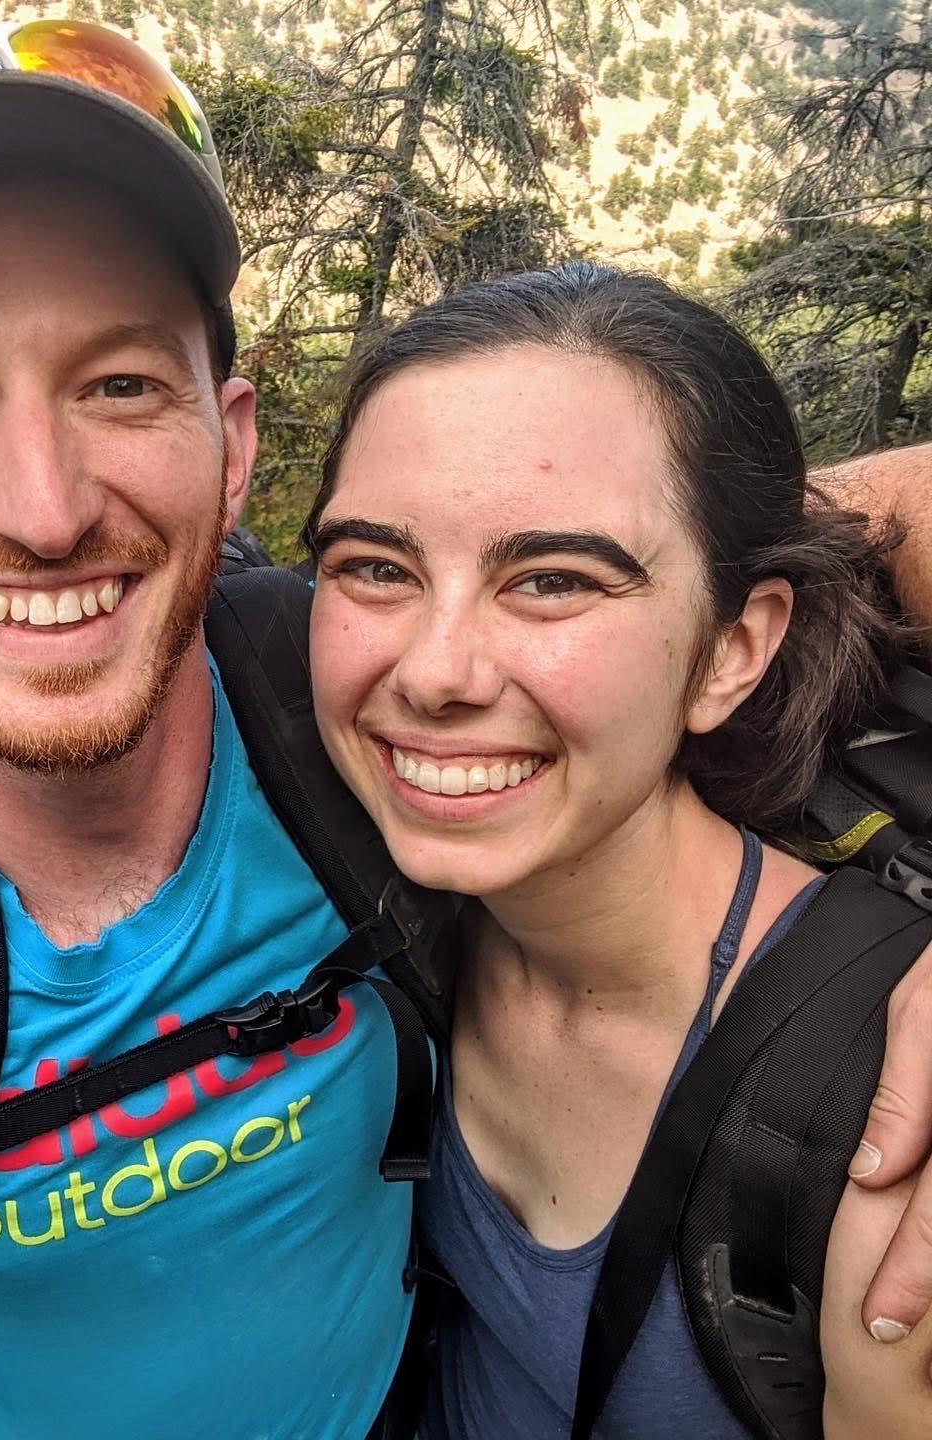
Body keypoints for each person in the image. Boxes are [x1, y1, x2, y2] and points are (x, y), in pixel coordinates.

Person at [0, 22, 931, 1440]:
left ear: (231, 445)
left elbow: (658, 560)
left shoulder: (352, 707)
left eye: (121, 384)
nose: (45, 510)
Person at [301, 262, 932, 1437]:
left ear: (734, 649)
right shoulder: (363, 884)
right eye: (377, 568)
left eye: (554, 581)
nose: (435, 672)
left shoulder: (881, 1126)